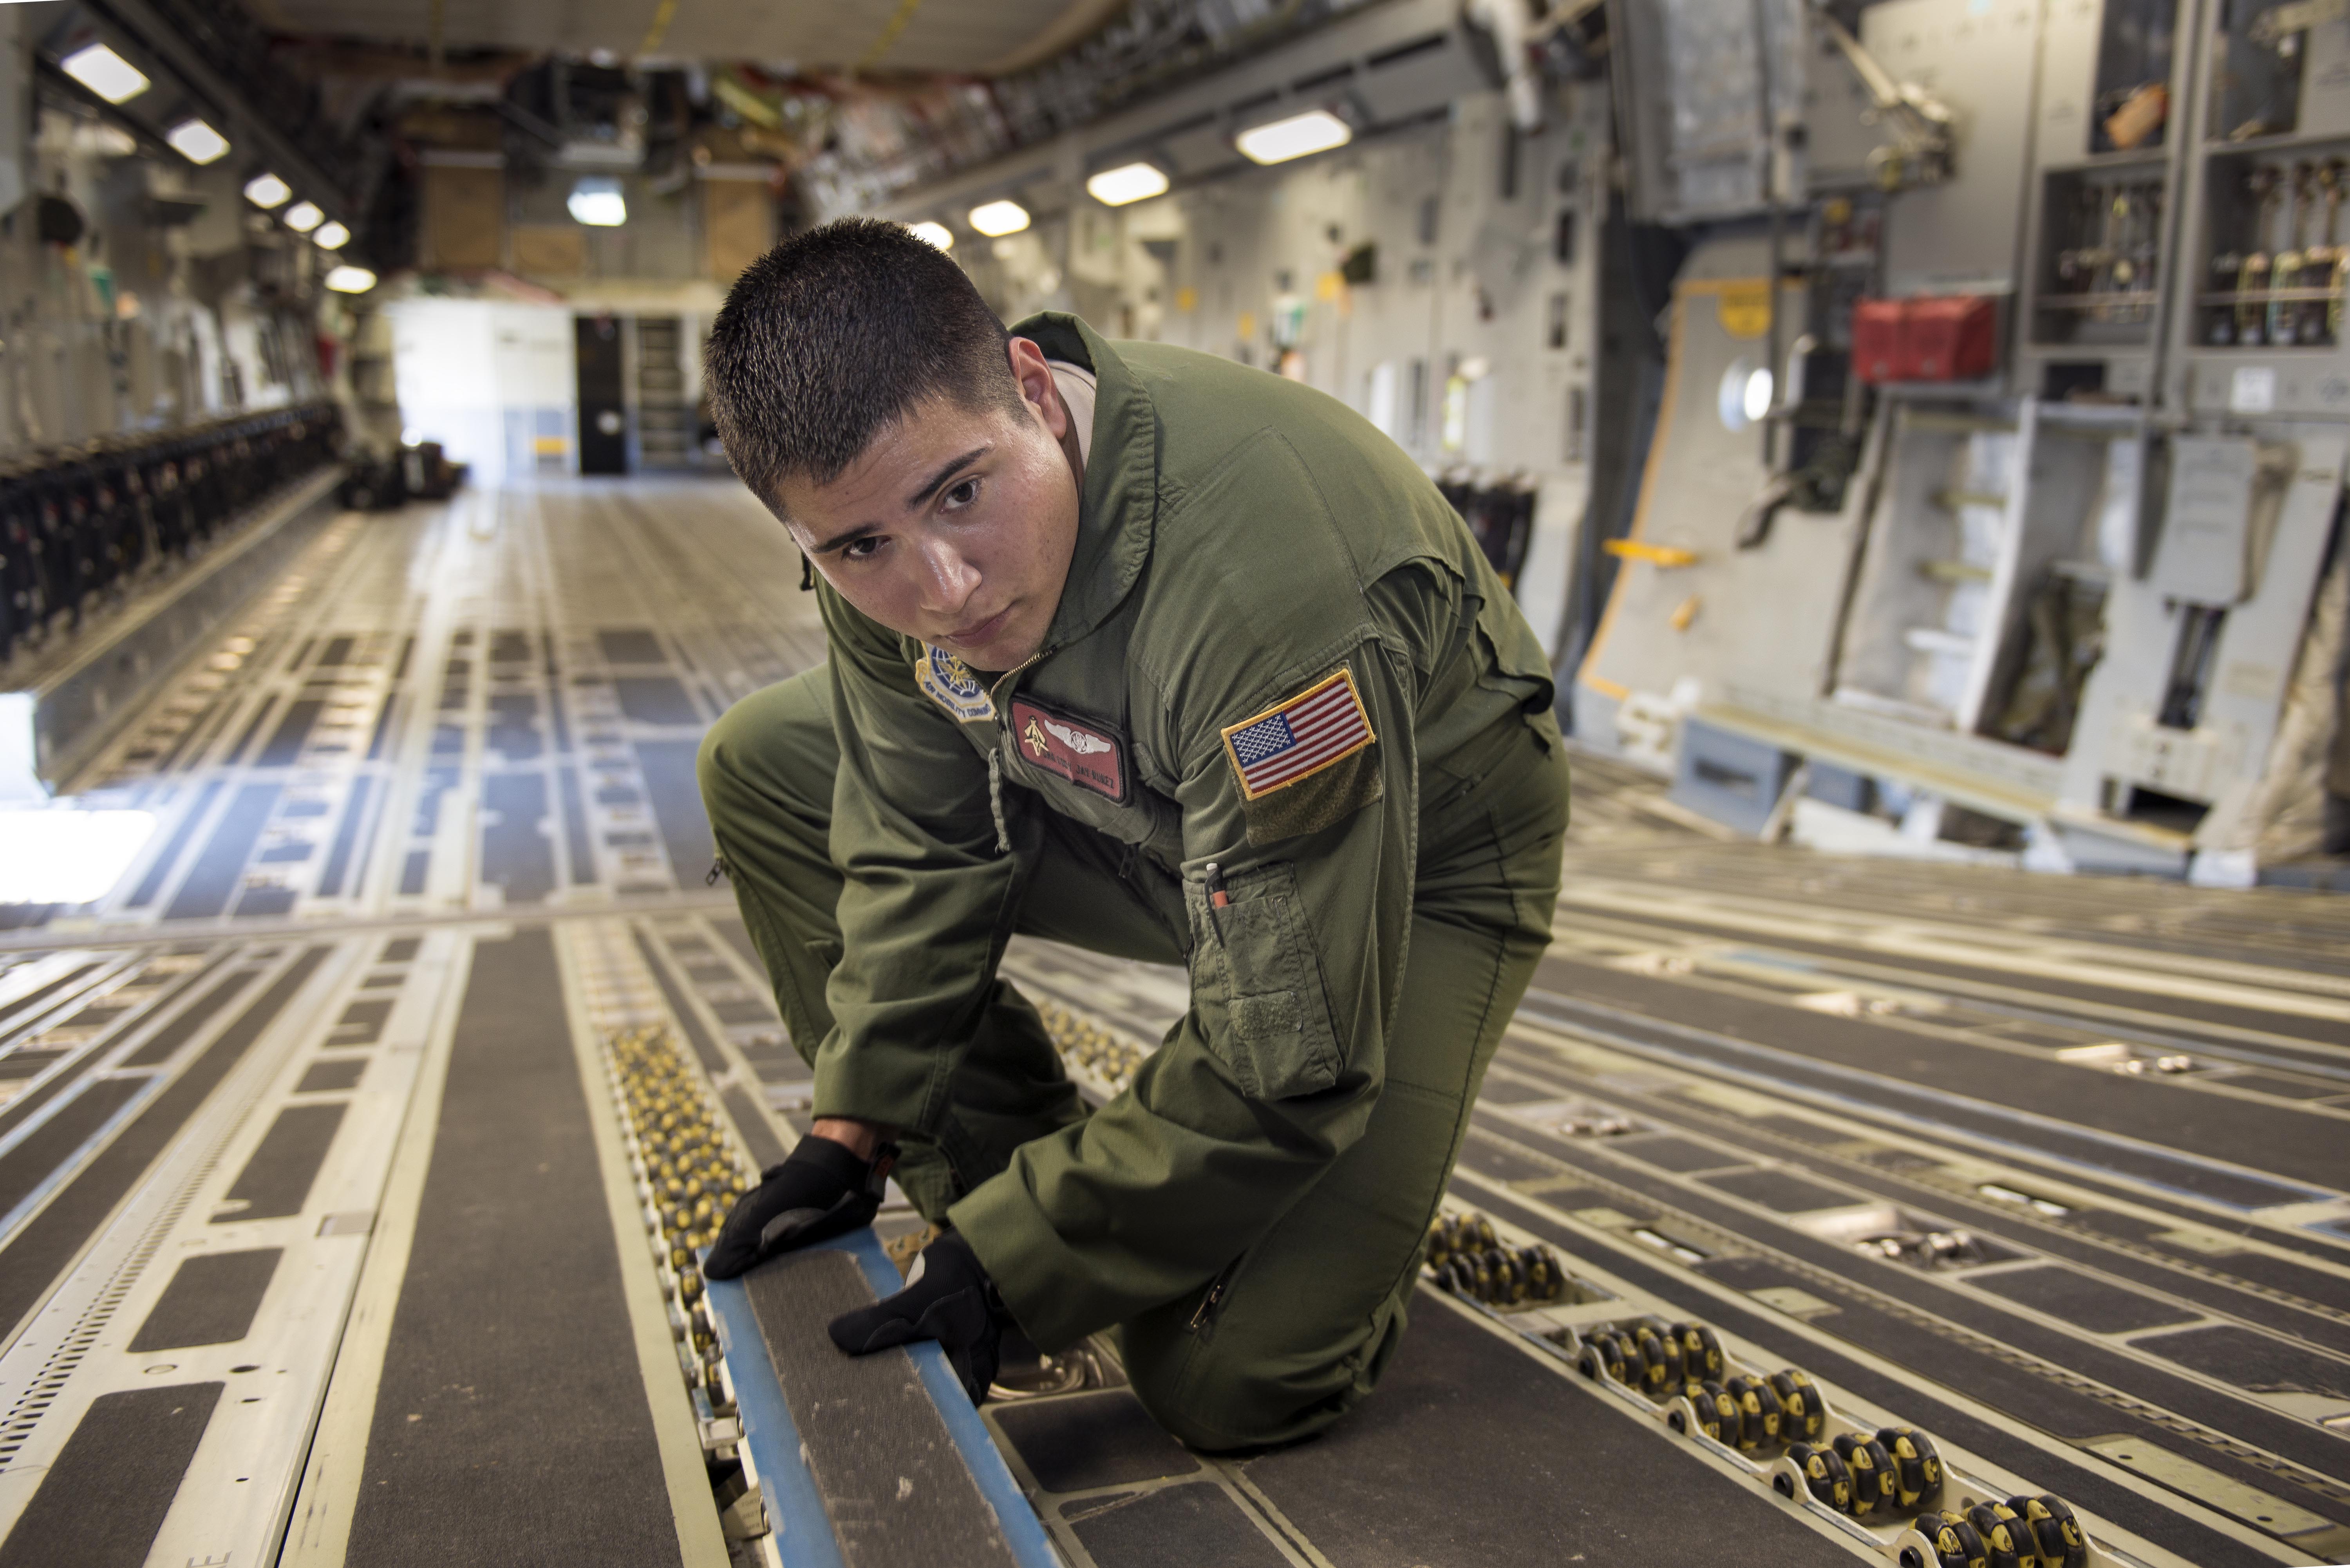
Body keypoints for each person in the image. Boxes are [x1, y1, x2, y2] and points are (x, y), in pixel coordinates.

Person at [694, 218, 1568, 1451]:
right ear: (811, 541)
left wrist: (1018, 1267)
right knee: (764, 762)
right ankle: (1037, 1187)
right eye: (861, 548)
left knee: (1228, 1377)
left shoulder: (1269, 599)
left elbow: (1288, 1054)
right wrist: (859, 1123)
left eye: (962, 493)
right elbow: (917, 839)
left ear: (1038, 397)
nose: (944, 588)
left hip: (1415, 863)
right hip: (1132, 799)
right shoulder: (883, 559)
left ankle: (1209, 1229)